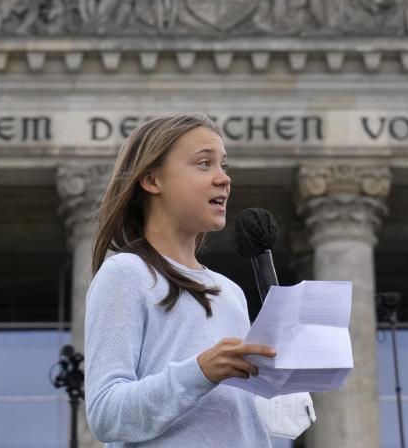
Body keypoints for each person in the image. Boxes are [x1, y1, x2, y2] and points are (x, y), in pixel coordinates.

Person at [84, 114, 277, 446]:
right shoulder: (125, 274)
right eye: (204, 164)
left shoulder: (229, 291)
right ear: (152, 180)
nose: (224, 179)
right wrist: (200, 371)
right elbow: (106, 415)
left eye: (224, 166)